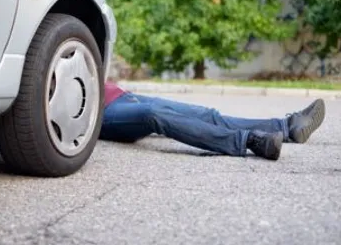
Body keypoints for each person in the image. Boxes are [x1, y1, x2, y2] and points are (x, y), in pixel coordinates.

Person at [99, 81, 326, 160]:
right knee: (153, 115)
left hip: (121, 95)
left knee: (207, 115)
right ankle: (250, 141)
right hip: (99, 114)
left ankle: (287, 127)